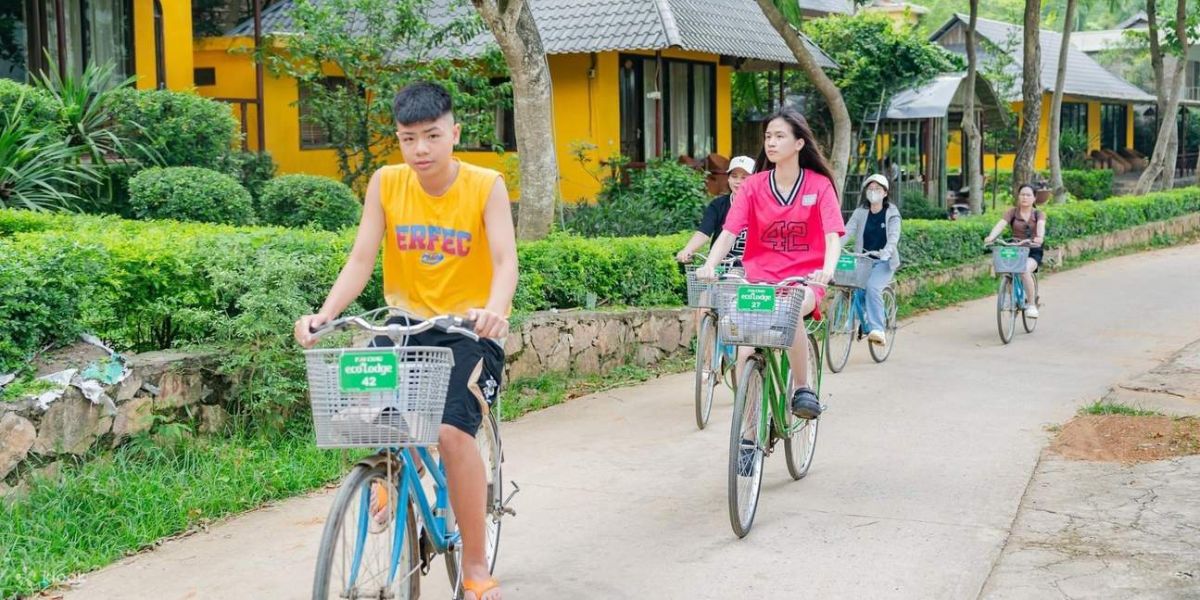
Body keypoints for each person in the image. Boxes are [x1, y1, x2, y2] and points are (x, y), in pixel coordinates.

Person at [293, 82, 516, 600]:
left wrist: (494, 312)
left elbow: (506, 261)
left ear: (454, 133)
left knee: (451, 432)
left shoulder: (486, 184)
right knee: (369, 413)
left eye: (432, 136)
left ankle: (477, 564)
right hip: (402, 324)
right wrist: (324, 316)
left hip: (467, 330)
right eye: (408, 138)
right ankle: (392, 474)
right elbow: (360, 259)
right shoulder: (386, 182)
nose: (420, 150)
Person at [697, 108, 845, 419]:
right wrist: (710, 264)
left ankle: (803, 388)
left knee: (788, 312)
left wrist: (826, 270)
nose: (771, 143)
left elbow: (833, 235)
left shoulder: (818, 186)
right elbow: (728, 233)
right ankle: (749, 432)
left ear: (799, 143)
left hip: (804, 279)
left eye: (780, 136)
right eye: (768, 137)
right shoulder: (754, 186)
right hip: (758, 279)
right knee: (746, 344)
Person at [841, 174, 901, 346]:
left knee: (873, 288)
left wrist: (887, 251)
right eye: (870, 189)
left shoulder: (892, 213)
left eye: (877, 189)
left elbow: (893, 237)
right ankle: (859, 317)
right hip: (863, 259)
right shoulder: (860, 212)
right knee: (853, 287)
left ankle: (878, 329)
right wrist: (833, 247)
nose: (873, 192)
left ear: (885, 193)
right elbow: (847, 231)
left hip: (884, 261)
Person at [676, 155, 756, 264]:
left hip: (753, 270)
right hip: (721, 268)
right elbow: (703, 233)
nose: (738, 181)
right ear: (728, 178)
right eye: (734, 176)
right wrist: (688, 250)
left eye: (744, 177)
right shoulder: (718, 205)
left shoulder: (762, 206)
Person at [984, 183, 1045, 319]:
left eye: (1028, 195)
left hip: (1033, 250)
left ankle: (1031, 304)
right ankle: (1011, 298)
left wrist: (1039, 237)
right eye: (1022, 194)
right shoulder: (1012, 212)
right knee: (1006, 270)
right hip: (1016, 249)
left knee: (1024, 270)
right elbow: (1001, 224)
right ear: (1018, 196)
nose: (1025, 197)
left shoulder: (1038, 214)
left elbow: (1041, 226)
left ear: (1034, 198)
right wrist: (991, 236)